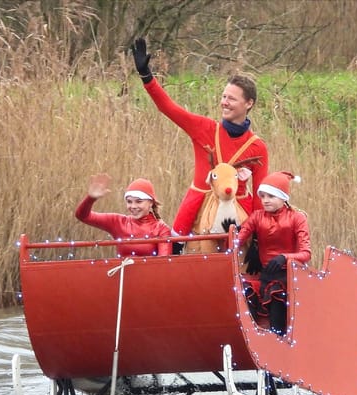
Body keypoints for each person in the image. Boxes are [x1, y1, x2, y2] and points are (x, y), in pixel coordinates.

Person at [131, 38, 269, 252]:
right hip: (196, 209)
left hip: (238, 215)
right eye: (223, 97)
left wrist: (258, 234)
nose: (224, 102)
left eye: (231, 99)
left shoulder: (257, 147)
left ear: (248, 103)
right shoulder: (204, 128)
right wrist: (146, 76)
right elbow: (169, 108)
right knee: (175, 258)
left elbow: (261, 195)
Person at [235, 171, 311, 335]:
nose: (265, 200)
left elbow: (306, 254)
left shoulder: (297, 218)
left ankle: (278, 337)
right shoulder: (257, 216)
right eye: (262, 196)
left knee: (277, 293)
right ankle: (252, 336)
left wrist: (284, 258)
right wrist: (232, 240)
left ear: (283, 198)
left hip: (288, 277)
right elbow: (237, 241)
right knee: (245, 289)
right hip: (265, 276)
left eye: (271, 196)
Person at [75, 173, 171, 257]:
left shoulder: (161, 229)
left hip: (151, 277)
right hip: (121, 276)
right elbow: (83, 216)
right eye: (129, 202)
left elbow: (163, 263)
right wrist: (90, 198)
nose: (133, 206)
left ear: (151, 202)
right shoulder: (118, 222)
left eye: (139, 201)